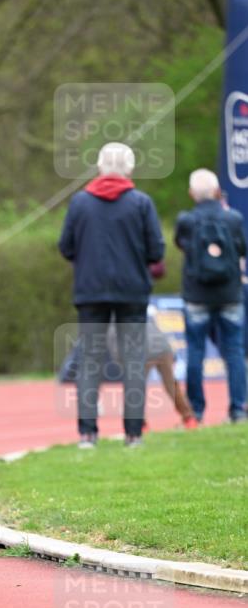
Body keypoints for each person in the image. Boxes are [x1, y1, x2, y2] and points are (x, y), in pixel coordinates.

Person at [58, 142, 165, 448]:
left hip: (91, 291)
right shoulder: (141, 203)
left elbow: (66, 247)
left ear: (100, 167)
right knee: (133, 361)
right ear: (129, 169)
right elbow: (156, 250)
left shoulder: (80, 203)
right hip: (132, 291)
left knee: (90, 360)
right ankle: (133, 434)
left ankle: (87, 433)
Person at [175, 168, 247, 423]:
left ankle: (196, 411)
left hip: (196, 294)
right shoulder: (234, 219)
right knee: (234, 351)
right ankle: (238, 409)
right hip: (230, 293)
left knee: (195, 352)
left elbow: (181, 245)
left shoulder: (186, 220)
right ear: (218, 192)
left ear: (192, 193)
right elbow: (241, 248)